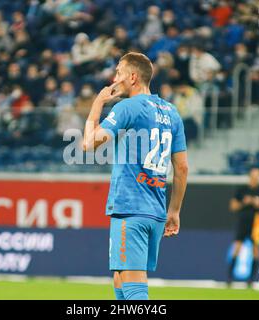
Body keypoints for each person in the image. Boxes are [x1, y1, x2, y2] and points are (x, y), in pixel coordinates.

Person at [82, 52, 188, 300]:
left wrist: (98, 103)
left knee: (134, 288)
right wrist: (174, 211)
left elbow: (88, 144)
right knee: (121, 278)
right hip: (156, 212)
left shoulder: (127, 107)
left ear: (132, 77)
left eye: (118, 73)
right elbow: (181, 168)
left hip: (131, 209)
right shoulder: (172, 112)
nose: (114, 79)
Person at [228, 167, 259, 287]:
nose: (255, 179)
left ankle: (251, 280)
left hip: (256, 224)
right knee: (237, 248)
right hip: (243, 222)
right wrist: (244, 202)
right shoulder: (242, 190)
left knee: (256, 251)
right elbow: (233, 206)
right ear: (250, 177)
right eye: (254, 177)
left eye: (258, 177)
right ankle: (229, 278)